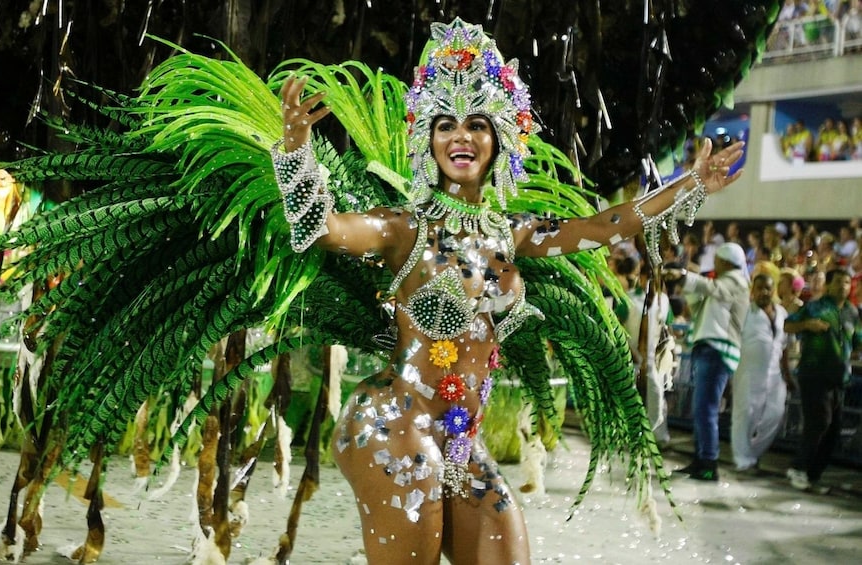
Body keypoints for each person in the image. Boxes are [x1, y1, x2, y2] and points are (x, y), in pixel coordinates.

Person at [274, 18, 744, 563]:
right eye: (445, 124)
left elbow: (597, 227)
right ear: (427, 138)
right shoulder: (405, 228)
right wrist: (296, 151)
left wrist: (690, 183)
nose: (461, 137)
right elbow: (324, 230)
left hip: (458, 437)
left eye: (477, 124)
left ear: (500, 138)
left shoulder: (512, 232)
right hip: (394, 423)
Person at [665, 242, 750, 481]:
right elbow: (700, 302)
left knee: (706, 409)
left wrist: (684, 276)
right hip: (708, 348)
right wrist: (684, 282)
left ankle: (709, 462)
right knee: (701, 409)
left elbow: (713, 289)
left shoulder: (736, 281)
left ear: (724, 261)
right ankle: (701, 459)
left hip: (718, 350)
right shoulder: (721, 285)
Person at [784, 269, 862, 492]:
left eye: (847, 283)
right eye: (838, 282)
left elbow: (858, 341)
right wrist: (807, 325)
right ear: (828, 285)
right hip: (814, 374)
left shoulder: (852, 312)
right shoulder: (815, 307)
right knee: (819, 422)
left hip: (839, 377)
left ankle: (812, 474)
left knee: (833, 430)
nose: (843, 287)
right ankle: (798, 468)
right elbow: (788, 324)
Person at [731, 272, 792, 472]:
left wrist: (787, 374)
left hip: (775, 375)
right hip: (748, 372)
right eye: (760, 288)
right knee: (745, 416)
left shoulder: (782, 313)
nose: (764, 292)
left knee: (775, 415)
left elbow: (785, 347)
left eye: (768, 288)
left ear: (773, 290)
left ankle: (752, 453)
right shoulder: (746, 312)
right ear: (753, 291)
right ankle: (743, 460)